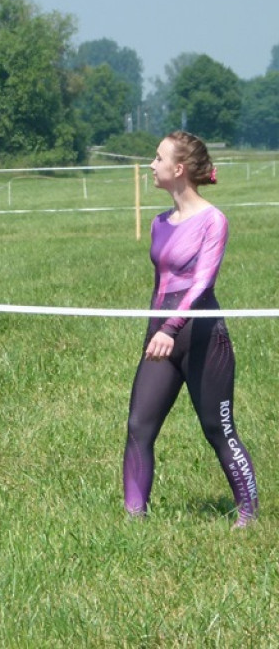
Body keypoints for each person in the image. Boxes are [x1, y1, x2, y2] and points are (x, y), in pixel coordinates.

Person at [123, 131, 259, 527]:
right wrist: (156, 332)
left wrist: (169, 328)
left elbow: (201, 284)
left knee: (218, 428)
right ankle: (134, 518)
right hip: (160, 339)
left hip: (201, 338)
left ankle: (248, 513)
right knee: (138, 426)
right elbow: (159, 285)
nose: (151, 164)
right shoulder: (159, 222)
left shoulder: (213, 221)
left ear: (178, 169)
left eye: (158, 157)